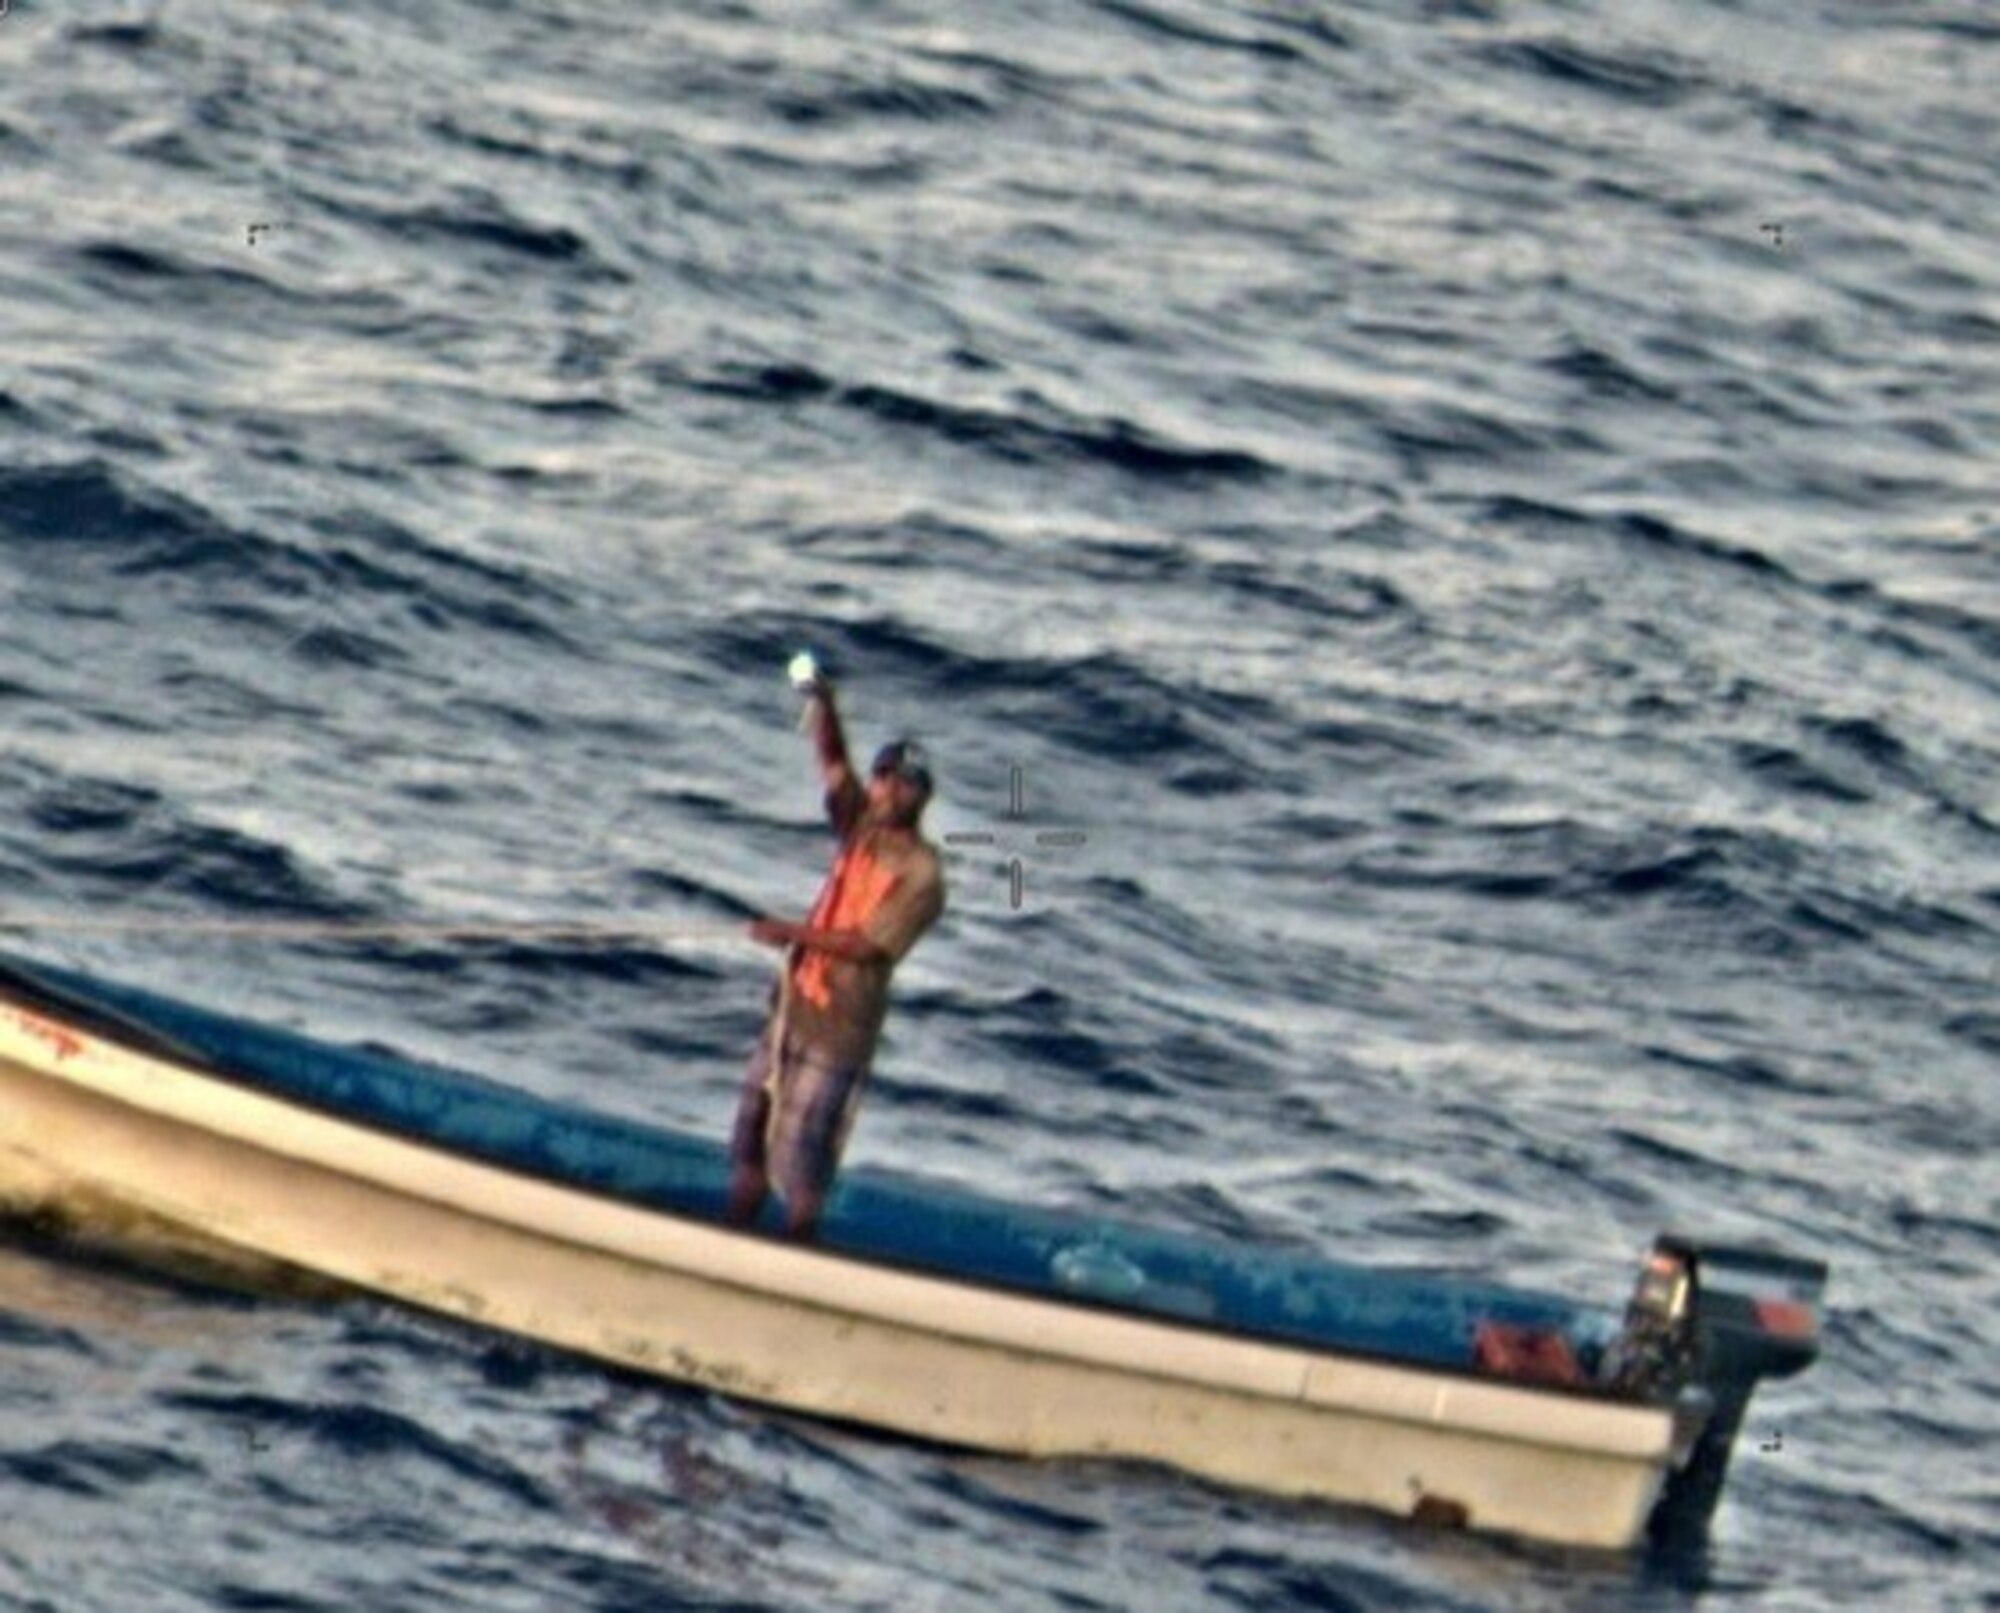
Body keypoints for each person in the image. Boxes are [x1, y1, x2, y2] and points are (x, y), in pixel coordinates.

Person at [727, 671, 945, 1239]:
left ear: (923, 797)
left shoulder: (923, 875)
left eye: (904, 784)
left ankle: (798, 1249)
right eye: (884, 777)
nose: (889, 790)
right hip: (792, 1007)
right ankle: (734, 1233)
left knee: (802, 1163)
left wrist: (790, 933)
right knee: (751, 1135)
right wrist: (825, 705)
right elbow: (833, 765)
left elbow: (866, 945)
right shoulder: (861, 826)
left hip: (839, 1031)